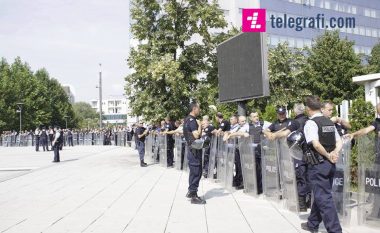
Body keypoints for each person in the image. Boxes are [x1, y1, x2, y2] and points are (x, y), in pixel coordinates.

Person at [301, 96, 342, 233]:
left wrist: (328, 155)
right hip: (330, 164)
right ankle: (312, 224)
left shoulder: (311, 123)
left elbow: (316, 144)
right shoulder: (329, 122)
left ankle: (335, 230)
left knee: (324, 199)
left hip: (318, 165)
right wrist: (334, 153)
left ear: (308, 109)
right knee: (321, 194)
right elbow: (339, 141)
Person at [269, 103, 312, 212]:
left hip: (299, 153)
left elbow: (285, 134)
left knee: (301, 178)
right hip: (311, 153)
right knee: (309, 177)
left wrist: (273, 136)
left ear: (294, 111)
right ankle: (309, 202)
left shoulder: (295, 122)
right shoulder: (310, 120)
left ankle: (302, 205)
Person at [183, 102, 206, 204]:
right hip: (194, 150)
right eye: (199, 108)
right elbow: (196, 135)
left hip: (191, 149)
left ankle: (190, 191)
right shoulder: (192, 121)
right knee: (196, 171)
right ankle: (193, 195)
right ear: (194, 109)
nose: (199, 110)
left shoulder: (187, 119)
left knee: (194, 171)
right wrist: (200, 125)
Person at [225, 115, 250, 190]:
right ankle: (238, 180)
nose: (244, 122)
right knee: (238, 166)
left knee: (242, 167)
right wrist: (227, 134)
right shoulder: (238, 127)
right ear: (238, 122)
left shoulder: (246, 126)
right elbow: (230, 132)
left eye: (245, 120)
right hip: (238, 149)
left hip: (245, 149)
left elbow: (239, 133)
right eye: (242, 121)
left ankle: (242, 182)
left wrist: (230, 135)